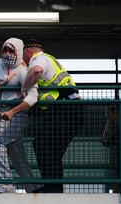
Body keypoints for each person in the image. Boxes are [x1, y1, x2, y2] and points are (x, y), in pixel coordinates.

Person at [0, 37, 39, 193]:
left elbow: (32, 97)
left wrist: (12, 112)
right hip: (0, 117)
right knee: (18, 156)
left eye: (11, 51)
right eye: (5, 50)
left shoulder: (24, 71)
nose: (7, 54)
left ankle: (6, 184)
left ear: (18, 52)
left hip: (17, 117)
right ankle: (32, 188)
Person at [21, 39, 81, 193]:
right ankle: (53, 186)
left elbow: (36, 71)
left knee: (44, 145)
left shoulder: (39, 58)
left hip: (63, 111)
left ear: (28, 51)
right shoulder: (50, 59)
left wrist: (24, 87)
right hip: (70, 111)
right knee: (51, 149)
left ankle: (52, 186)